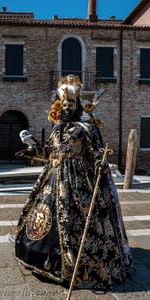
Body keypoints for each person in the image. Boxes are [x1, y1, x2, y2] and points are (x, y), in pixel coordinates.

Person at [14, 74, 134, 290]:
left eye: (71, 102)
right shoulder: (57, 128)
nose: (67, 106)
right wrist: (32, 147)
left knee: (73, 222)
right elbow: (50, 153)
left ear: (77, 103)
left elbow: (96, 154)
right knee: (44, 220)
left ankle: (76, 267)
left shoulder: (87, 129)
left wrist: (101, 164)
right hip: (53, 179)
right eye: (64, 102)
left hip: (78, 183)